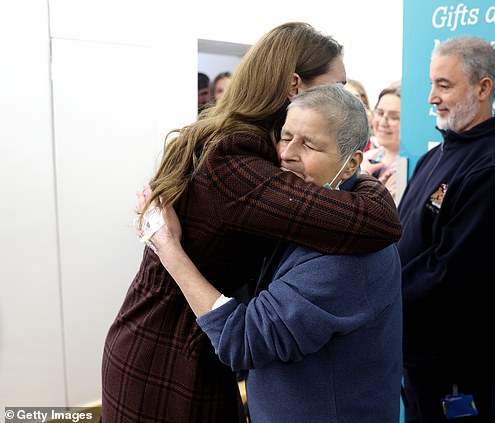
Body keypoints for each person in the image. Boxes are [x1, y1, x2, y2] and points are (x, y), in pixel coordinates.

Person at [101, 22, 402, 423]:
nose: (341, 97)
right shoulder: (240, 158)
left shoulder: (249, 147)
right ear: (295, 86)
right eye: (336, 84)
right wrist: (366, 181)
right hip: (168, 351)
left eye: (308, 143)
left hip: (189, 343)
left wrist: (356, 174)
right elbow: (375, 222)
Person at [397, 36, 495, 422]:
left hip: (453, 364)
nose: (430, 98)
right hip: (415, 352)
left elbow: (452, 275)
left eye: (444, 85)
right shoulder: (433, 157)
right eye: (431, 84)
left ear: (483, 87)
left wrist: (380, 292)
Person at [361, 84, 402, 204]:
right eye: (379, 113)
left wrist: (362, 175)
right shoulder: (368, 156)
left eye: (394, 117)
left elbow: (379, 212)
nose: (383, 122)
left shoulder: (407, 168)